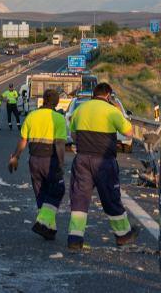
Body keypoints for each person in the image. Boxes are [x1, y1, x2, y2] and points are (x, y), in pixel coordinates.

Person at [67, 82, 139, 249]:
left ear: (94, 94)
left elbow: (73, 134)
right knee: (110, 198)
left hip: (82, 159)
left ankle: (75, 239)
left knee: (79, 198)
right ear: (108, 95)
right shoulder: (112, 111)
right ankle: (123, 235)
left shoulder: (80, 109)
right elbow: (128, 132)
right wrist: (117, 109)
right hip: (104, 162)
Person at [8, 89, 67, 240]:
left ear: (43, 100)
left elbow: (23, 141)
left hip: (34, 160)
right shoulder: (58, 118)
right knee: (57, 190)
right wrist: (61, 164)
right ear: (57, 102)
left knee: (41, 194)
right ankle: (42, 222)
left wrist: (15, 157)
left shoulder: (32, 116)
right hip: (50, 160)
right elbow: (59, 144)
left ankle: (49, 229)